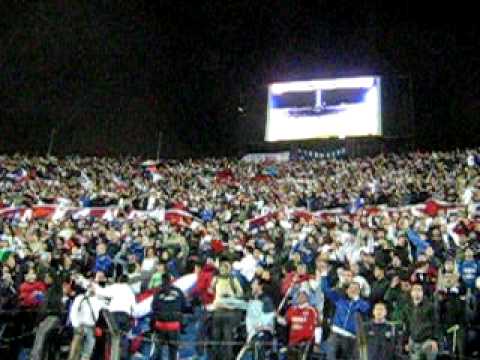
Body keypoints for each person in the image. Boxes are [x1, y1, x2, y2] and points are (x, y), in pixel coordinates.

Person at [321, 275, 370, 360]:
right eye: (351, 288)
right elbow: (325, 290)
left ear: (359, 292)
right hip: (335, 334)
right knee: (330, 355)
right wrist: (324, 276)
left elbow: (365, 308)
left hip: (350, 338)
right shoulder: (340, 300)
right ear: (347, 290)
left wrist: (356, 299)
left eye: (355, 289)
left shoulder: (362, 303)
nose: (353, 290)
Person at [150, 273, 187, 360]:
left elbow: (153, 307)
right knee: (173, 352)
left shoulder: (158, 292)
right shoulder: (178, 291)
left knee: (158, 352)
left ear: (162, 281)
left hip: (160, 325)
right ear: (171, 280)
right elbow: (184, 306)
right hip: (174, 326)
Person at [402, 284, 439, 360]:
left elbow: (436, 324)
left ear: (422, 292)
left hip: (428, 341)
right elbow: (406, 325)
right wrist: (405, 342)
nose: (417, 292)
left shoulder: (430, 306)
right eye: (414, 290)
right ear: (411, 293)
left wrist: (435, 340)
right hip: (413, 341)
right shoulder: (407, 307)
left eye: (419, 290)